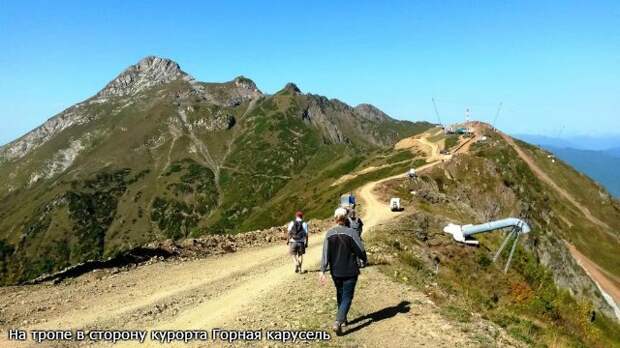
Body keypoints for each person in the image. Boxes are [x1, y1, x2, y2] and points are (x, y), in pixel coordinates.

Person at [319, 207, 367, 335]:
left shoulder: (329, 234)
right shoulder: (351, 232)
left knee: (340, 293)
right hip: (350, 270)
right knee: (347, 296)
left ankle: (343, 318)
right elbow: (360, 250)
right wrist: (364, 259)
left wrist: (322, 270)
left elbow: (325, 253)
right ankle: (338, 321)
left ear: (335, 219)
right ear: (346, 219)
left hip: (335, 271)